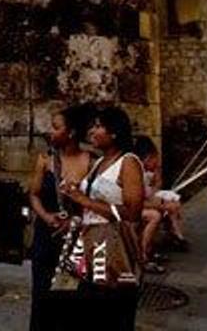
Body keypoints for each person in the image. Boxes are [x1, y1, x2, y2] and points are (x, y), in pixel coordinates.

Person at [58, 106, 144, 329]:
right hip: (89, 244)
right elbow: (90, 202)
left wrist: (85, 200)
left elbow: (133, 212)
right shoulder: (99, 163)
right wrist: (74, 194)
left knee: (111, 309)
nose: (92, 132)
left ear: (114, 132)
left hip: (112, 246)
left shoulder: (128, 163)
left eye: (98, 126)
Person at [28, 104, 96, 331]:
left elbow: (97, 204)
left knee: (73, 298)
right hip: (46, 239)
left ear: (72, 133)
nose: (50, 132)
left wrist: (74, 221)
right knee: (43, 295)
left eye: (56, 128)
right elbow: (34, 195)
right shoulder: (46, 160)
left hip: (77, 240)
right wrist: (47, 217)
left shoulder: (91, 162)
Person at [133, 135, 188, 265]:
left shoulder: (148, 170)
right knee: (155, 215)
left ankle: (174, 234)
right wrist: (161, 206)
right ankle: (142, 252)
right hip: (129, 206)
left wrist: (156, 198)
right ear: (147, 158)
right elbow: (136, 201)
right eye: (154, 159)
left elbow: (156, 185)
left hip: (145, 200)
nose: (157, 162)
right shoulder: (136, 173)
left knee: (172, 202)